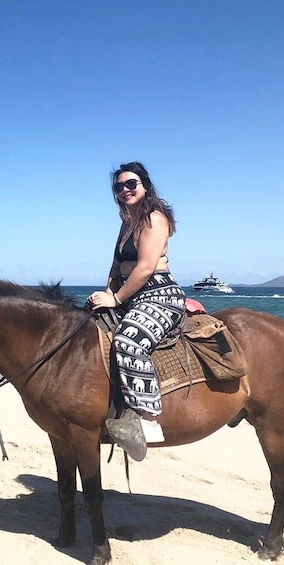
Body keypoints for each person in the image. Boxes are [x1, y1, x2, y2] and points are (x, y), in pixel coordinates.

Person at [87, 162, 186, 462]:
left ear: (145, 185)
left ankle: (148, 417)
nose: (125, 190)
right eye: (119, 186)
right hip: (130, 294)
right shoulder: (126, 222)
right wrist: (105, 292)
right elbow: (116, 266)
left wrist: (115, 299)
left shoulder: (155, 218)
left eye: (131, 184)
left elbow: (143, 268)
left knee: (128, 342)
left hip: (159, 294)